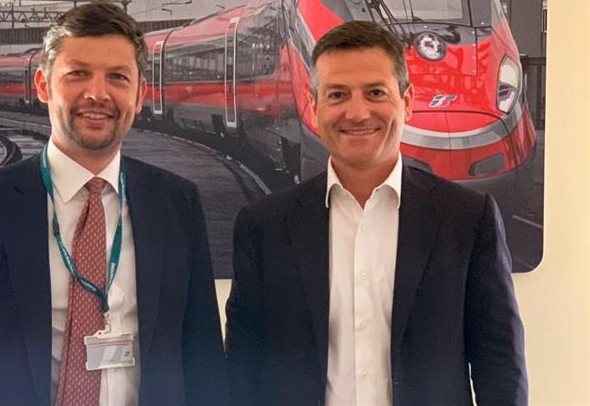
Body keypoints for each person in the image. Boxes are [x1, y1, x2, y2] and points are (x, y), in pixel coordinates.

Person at [0, 0, 227, 406]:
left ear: (140, 95)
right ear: (43, 85)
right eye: (78, 74)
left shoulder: (177, 204)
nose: (97, 94)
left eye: (117, 77)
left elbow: (204, 364)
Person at [225, 21, 528, 406]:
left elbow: (500, 366)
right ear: (314, 107)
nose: (357, 112)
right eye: (337, 94)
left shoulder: (467, 219)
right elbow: (242, 370)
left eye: (375, 93)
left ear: (407, 101)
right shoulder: (263, 227)